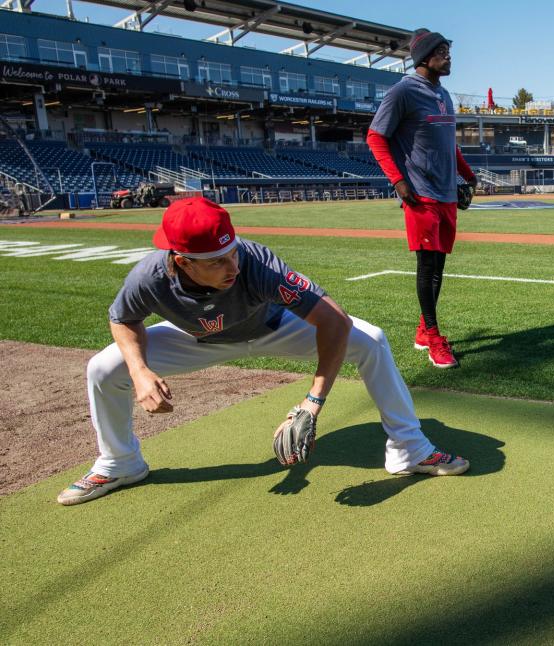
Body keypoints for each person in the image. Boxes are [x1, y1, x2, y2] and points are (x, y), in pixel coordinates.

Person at [57, 197, 469, 506]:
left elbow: (333, 321)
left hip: (273, 327)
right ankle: (120, 462)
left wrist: (312, 403)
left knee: (372, 339)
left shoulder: (256, 263)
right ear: (181, 261)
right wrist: (140, 370)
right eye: (217, 261)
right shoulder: (148, 276)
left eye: (232, 251)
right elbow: (123, 318)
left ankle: (409, 448)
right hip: (197, 338)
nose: (232, 266)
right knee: (103, 367)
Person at [366, 28, 477, 369]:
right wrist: (398, 181)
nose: (448, 57)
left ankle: (422, 330)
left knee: (439, 266)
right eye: (442, 51)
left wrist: (467, 174)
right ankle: (433, 338)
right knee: (426, 266)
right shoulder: (403, 92)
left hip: (445, 194)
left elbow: (449, 145)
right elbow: (375, 136)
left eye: (448, 50)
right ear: (425, 57)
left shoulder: (444, 95)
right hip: (420, 194)